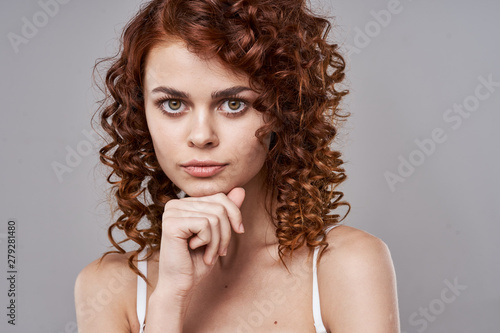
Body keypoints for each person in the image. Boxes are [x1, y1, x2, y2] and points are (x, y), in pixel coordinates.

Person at [74, 0, 400, 332]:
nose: (201, 136)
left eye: (233, 104)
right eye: (173, 104)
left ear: (280, 110)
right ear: (141, 112)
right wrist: (169, 299)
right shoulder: (109, 288)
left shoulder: (347, 266)